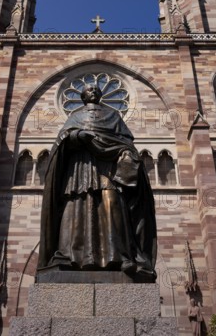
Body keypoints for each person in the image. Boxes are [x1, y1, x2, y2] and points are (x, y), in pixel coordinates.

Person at [38, 84, 156, 278]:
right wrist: (77, 136)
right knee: (76, 209)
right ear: (83, 96)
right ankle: (71, 256)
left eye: (95, 88)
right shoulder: (74, 117)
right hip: (80, 168)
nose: (92, 90)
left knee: (113, 206)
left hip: (108, 169)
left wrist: (125, 153)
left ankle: (120, 256)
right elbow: (62, 141)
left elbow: (126, 141)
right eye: (88, 89)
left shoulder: (113, 116)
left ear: (100, 94)